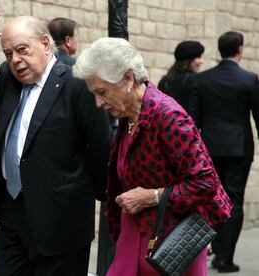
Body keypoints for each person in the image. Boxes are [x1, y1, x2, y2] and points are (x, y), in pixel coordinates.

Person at [0, 8, 111, 276]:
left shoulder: (78, 85)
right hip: (13, 213)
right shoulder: (9, 78)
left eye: (22, 50)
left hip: (61, 221)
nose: (15, 60)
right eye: (8, 53)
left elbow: (101, 149)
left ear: (45, 44)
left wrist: (98, 204)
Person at [73, 37, 232, 276]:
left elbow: (205, 183)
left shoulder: (167, 115)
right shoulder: (129, 115)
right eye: (94, 94)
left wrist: (151, 196)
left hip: (172, 241)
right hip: (137, 231)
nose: (98, 103)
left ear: (128, 78)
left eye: (102, 92)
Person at [189, 31, 259, 273]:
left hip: (209, 148)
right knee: (234, 200)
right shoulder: (249, 79)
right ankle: (225, 257)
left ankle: (215, 248)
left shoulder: (203, 80)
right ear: (240, 48)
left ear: (219, 50)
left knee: (210, 198)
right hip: (239, 147)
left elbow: (193, 119)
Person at [158, 40, 204, 112]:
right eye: (198, 57)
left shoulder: (165, 81)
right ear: (189, 59)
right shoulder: (196, 80)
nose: (201, 62)